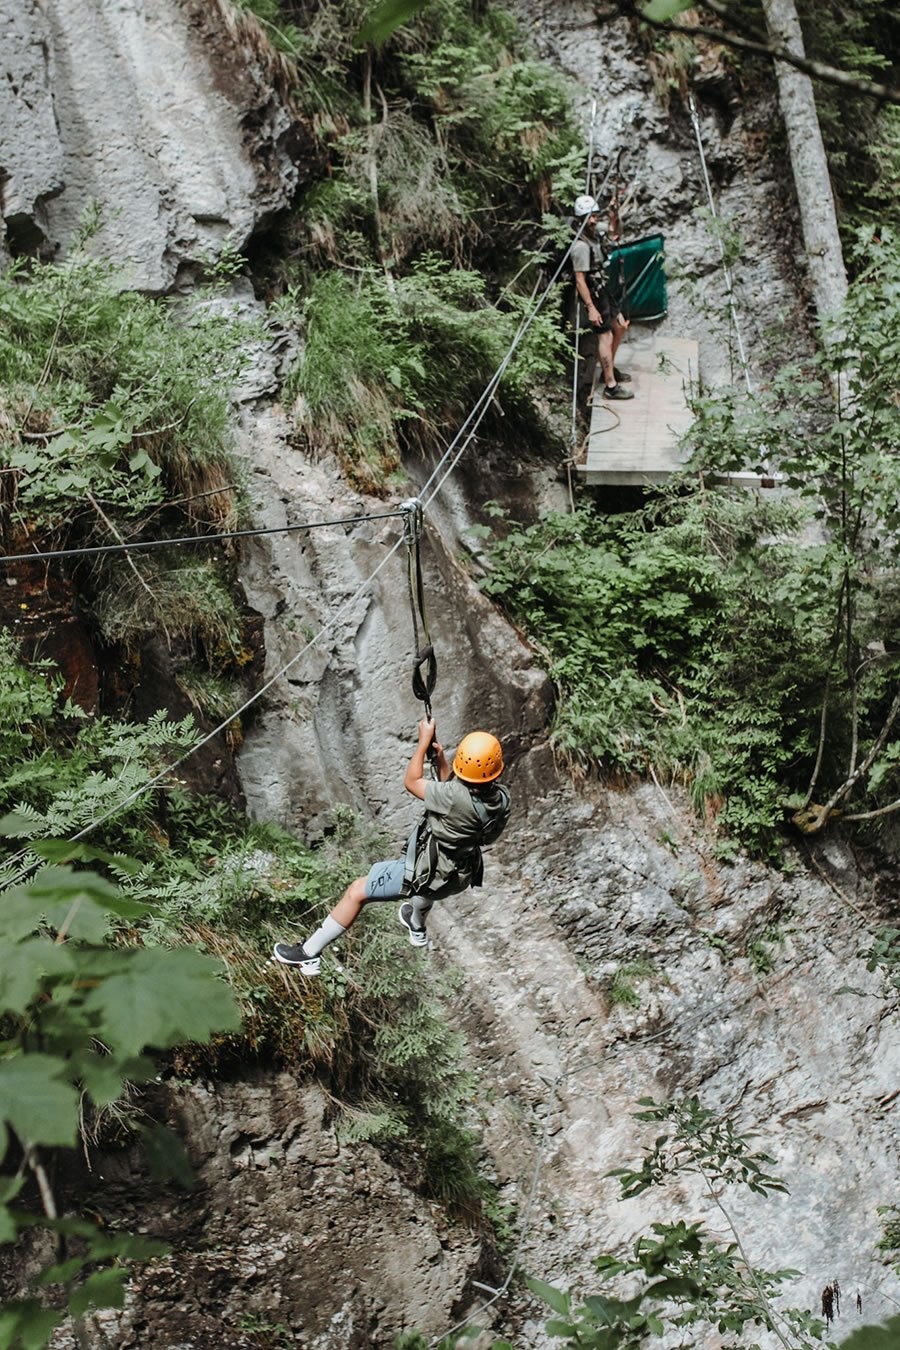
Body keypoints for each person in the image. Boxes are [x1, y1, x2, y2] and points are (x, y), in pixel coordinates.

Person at [272, 720, 510, 975]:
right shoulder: (502, 800)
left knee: (356, 892)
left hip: (426, 871)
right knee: (428, 887)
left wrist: (422, 743)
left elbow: (412, 781)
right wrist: (439, 758)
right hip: (459, 874)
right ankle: (416, 926)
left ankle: (308, 954)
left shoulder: (452, 798)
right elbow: (453, 789)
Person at [570, 193, 634, 403]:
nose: (594, 220)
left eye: (595, 216)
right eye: (590, 217)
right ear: (580, 219)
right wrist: (591, 308)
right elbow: (580, 280)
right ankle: (610, 385)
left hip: (602, 289)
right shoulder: (580, 246)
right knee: (605, 337)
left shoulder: (594, 232)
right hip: (593, 295)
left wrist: (614, 214)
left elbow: (616, 232)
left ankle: (610, 367)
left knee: (621, 326)